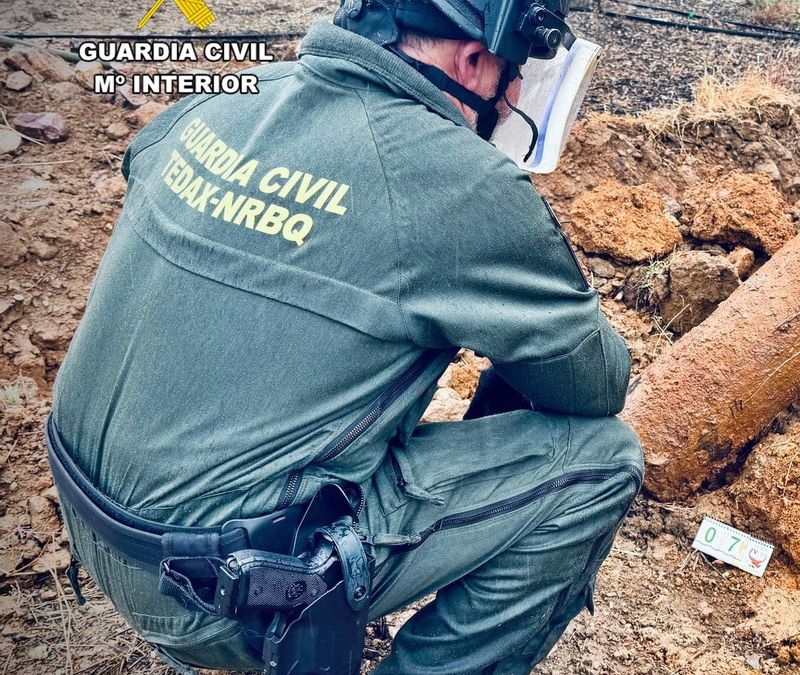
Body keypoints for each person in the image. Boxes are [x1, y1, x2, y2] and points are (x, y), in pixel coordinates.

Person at [45, 0, 643, 672]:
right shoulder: (459, 180)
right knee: (603, 461)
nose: (511, 103)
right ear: (474, 62)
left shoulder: (228, 97)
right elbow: (595, 382)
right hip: (224, 591)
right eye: (515, 79)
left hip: (98, 526)